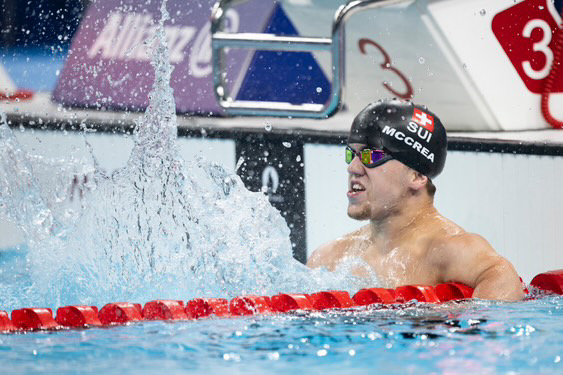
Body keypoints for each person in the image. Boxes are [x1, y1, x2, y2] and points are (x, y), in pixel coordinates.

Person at [307, 99, 524, 301]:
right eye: (351, 154)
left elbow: (502, 277)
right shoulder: (329, 258)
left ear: (417, 176)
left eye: (371, 156)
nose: (352, 167)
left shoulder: (448, 249)